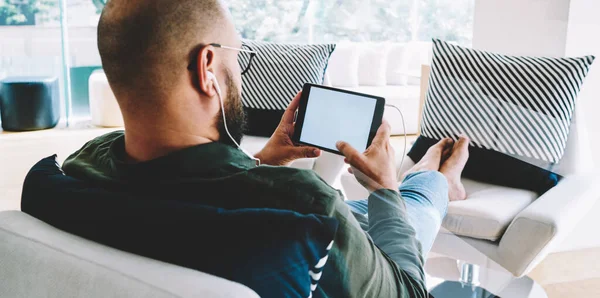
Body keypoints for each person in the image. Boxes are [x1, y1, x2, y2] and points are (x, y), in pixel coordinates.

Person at [33, 0, 470, 296]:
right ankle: (434, 179)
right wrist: (383, 189)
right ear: (207, 68)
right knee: (405, 201)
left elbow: (180, 192)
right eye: (238, 59)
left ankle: (427, 180)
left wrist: (258, 164)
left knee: (373, 211)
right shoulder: (306, 207)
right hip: (326, 244)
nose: (238, 72)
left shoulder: (80, 167)